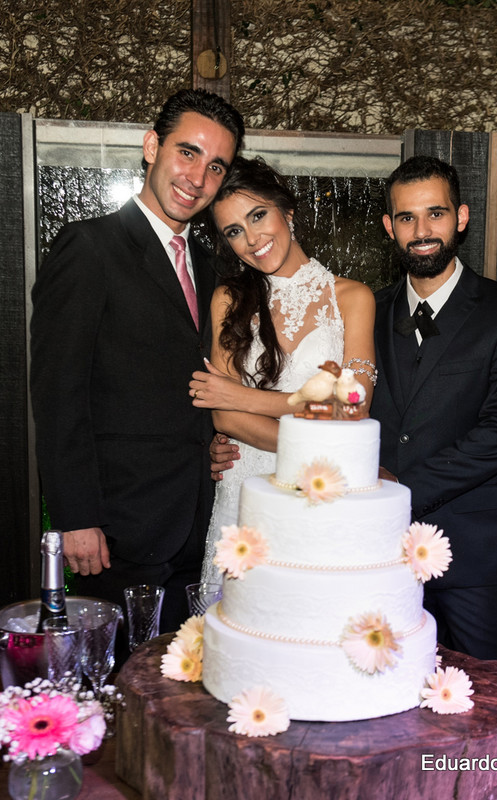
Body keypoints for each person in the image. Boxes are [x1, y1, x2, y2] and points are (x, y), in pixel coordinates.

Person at [30, 89, 245, 634]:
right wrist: (79, 519)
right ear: (152, 147)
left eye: (216, 166)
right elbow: (59, 394)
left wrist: (219, 439)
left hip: (199, 526)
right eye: (187, 153)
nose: (197, 178)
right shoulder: (89, 247)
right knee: (118, 695)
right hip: (117, 534)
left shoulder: (211, 262)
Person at [369, 155, 497, 660]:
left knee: (490, 701)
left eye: (436, 214)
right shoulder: (367, 312)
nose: (422, 230)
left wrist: (398, 489)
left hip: (479, 560)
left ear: (461, 217)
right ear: (389, 227)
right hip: (381, 555)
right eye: (406, 218)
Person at [188, 157, 376, 581]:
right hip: (245, 491)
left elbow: (354, 409)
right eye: (234, 231)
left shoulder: (352, 298)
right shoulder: (227, 300)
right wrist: (323, 441)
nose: (252, 239)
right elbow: (223, 416)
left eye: (258, 216)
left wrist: (243, 398)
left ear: (286, 211)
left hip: (320, 493)